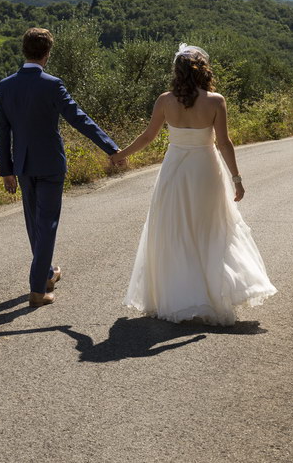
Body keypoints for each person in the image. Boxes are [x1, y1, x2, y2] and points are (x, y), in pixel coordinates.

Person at [112, 43, 277, 325]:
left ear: (177, 72)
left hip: (174, 171)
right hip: (205, 170)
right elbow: (224, 143)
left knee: (174, 229)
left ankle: (179, 294)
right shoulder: (215, 101)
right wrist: (236, 179)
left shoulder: (165, 100)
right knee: (210, 229)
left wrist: (121, 155)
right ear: (204, 70)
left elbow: (148, 136)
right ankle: (211, 294)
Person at [0, 28, 120, 308]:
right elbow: (79, 119)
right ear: (47, 54)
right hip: (51, 163)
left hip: (23, 165)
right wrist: (111, 148)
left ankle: (48, 272)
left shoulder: (6, 86)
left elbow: (2, 131)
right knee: (47, 224)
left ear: (24, 51)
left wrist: (6, 170)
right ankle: (38, 290)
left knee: (34, 223)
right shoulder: (52, 84)